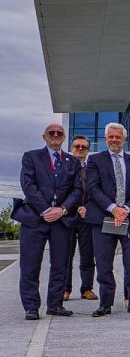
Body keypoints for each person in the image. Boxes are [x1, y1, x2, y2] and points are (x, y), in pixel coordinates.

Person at [15, 123, 82, 320]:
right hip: (35, 219)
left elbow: (77, 190)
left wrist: (61, 210)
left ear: (64, 138)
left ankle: (55, 304)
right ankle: (31, 306)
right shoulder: (31, 157)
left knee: (60, 264)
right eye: (51, 133)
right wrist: (46, 210)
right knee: (30, 264)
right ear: (44, 136)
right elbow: (28, 185)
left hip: (62, 221)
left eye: (59, 133)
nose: (55, 135)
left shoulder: (73, 162)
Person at [84, 122, 130, 316]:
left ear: (124, 139)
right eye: (110, 136)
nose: (114, 139)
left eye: (117, 137)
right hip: (104, 218)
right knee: (104, 264)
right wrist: (113, 209)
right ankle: (105, 303)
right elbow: (93, 188)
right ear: (106, 139)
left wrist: (126, 209)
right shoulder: (94, 160)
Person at [63, 135, 97, 302]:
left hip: (87, 217)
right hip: (67, 217)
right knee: (65, 255)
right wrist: (74, 207)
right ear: (71, 148)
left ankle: (87, 288)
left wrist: (88, 208)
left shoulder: (92, 169)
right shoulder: (64, 167)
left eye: (83, 147)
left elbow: (97, 191)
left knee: (87, 255)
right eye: (77, 146)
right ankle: (65, 289)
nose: (80, 149)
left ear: (88, 150)